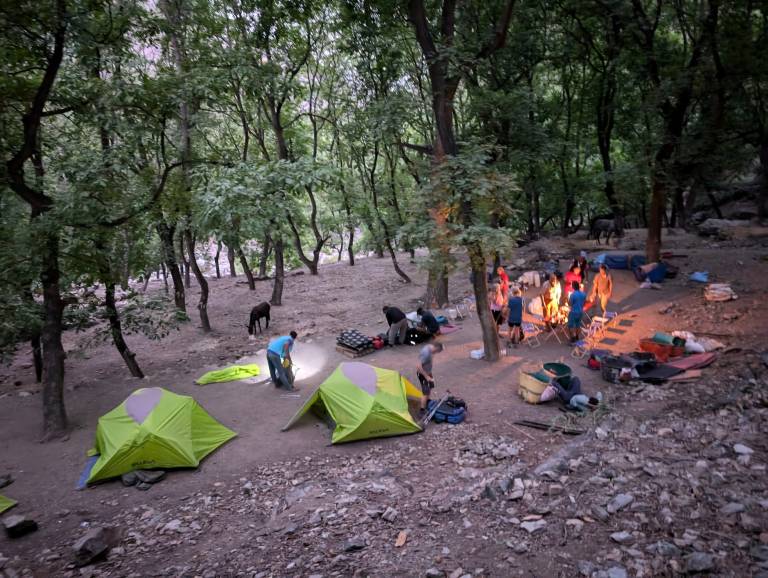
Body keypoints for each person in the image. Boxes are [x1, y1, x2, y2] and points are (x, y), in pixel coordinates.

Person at [416, 342, 444, 416]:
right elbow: (418, 367)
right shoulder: (426, 353)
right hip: (423, 374)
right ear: (436, 348)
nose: (437, 353)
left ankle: (427, 401)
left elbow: (439, 347)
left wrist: (429, 374)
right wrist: (426, 377)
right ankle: (421, 410)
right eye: (438, 351)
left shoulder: (431, 347)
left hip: (428, 372)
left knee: (431, 386)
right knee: (425, 392)